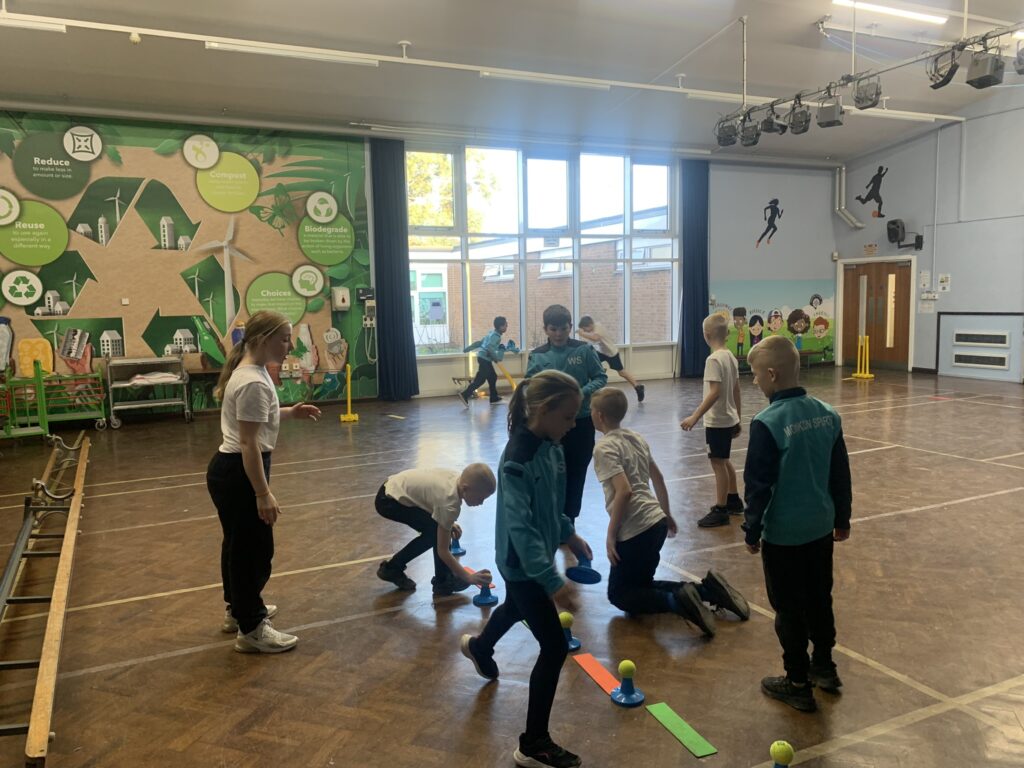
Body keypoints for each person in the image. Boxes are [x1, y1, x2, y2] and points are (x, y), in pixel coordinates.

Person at [460, 370, 594, 768]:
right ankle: (533, 742)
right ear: (542, 410)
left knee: (517, 608)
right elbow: (520, 525)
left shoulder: (551, 444)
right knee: (553, 647)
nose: (573, 426)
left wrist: (568, 533)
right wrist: (552, 581)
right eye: (568, 417)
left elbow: (550, 505)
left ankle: (480, 646)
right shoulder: (518, 458)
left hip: (536, 561)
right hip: (523, 565)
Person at [741, 336, 852, 713]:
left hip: (784, 535)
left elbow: (758, 486)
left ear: (771, 374)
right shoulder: (827, 413)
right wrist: (843, 519)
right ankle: (824, 666)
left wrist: (752, 529)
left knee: (788, 608)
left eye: (755, 375)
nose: (754, 382)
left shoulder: (766, 423)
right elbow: (841, 474)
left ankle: (797, 681)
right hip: (820, 529)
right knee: (820, 597)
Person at [590, 388, 749, 637]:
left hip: (635, 529)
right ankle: (707, 592)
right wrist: (667, 514)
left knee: (620, 595)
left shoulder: (603, 449)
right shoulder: (635, 437)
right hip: (656, 523)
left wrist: (610, 535)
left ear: (598, 415)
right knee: (641, 586)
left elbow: (624, 492)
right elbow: (658, 478)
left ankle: (678, 604)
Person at [207, 310, 322, 654]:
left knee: (237, 546)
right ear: (261, 340)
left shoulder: (249, 372)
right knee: (255, 551)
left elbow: (254, 422)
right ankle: (252, 627)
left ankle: (238, 611)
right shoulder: (254, 381)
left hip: (229, 470)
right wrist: (262, 493)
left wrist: (290, 412)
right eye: (284, 338)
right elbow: (248, 443)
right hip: (241, 472)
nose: (290, 345)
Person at [526, 304, 607, 523]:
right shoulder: (538, 356)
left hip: (580, 423)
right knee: (549, 473)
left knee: (576, 471)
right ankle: (549, 516)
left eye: (563, 329)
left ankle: (569, 519)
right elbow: (530, 387)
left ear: (570, 327)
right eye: (553, 329)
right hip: (550, 428)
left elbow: (600, 377)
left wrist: (581, 393)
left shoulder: (584, 351)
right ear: (545, 329)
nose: (559, 334)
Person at [375, 464, 497, 595]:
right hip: (389, 501)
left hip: (393, 486)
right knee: (433, 534)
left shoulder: (457, 480)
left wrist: (447, 522)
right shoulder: (449, 503)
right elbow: (443, 551)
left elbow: (434, 499)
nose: (481, 503)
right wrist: (468, 577)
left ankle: (443, 580)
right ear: (465, 488)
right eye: (480, 498)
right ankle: (394, 569)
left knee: (438, 530)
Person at [680, 313, 742, 528]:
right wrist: (738, 417)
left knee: (718, 463)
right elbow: (736, 389)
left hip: (717, 421)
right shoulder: (731, 357)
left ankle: (721, 508)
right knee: (724, 460)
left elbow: (714, 392)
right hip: (729, 418)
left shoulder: (713, 360)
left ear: (706, 335)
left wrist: (695, 416)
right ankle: (734, 500)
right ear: (727, 335)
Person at [576, 315, 644, 402]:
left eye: (586, 329)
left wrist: (582, 333)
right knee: (589, 364)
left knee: (622, 372)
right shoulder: (593, 328)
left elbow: (595, 338)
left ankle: (638, 387)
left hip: (611, 353)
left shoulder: (598, 327)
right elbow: (592, 339)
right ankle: (599, 374)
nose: (586, 331)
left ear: (589, 325)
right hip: (602, 352)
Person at [458, 316, 509, 406]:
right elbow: (489, 347)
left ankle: (494, 397)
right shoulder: (496, 336)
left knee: (493, 376)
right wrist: (496, 358)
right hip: (484, 359)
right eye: (505, 325)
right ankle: (465, 394)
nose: (507, 326)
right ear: (500, 327)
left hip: (483, 358)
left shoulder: (491, 333)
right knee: (480, 380)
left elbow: (481, 343)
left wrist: (469, 348)